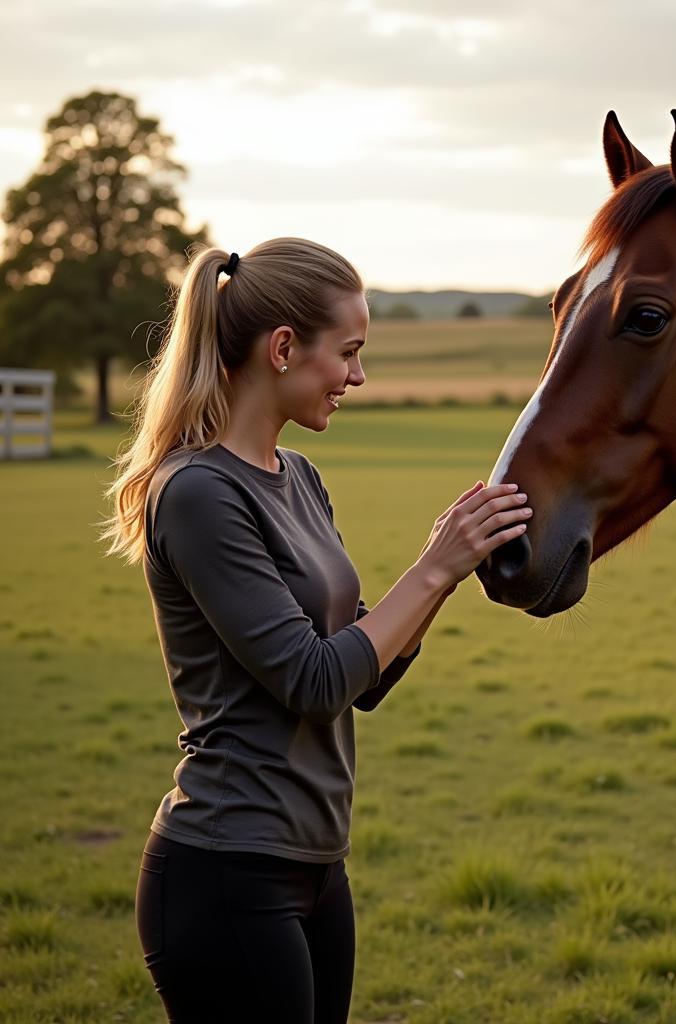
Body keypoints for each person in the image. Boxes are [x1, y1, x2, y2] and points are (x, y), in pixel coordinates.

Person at [98, 237, 533, 1023]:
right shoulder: (197, 493)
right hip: (227, 870)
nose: (359, 377)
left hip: (316, 863)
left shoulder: (299, 478)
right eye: (351, 352)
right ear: (284, 348)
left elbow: (367, 677)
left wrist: (452, 566)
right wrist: (433, 567)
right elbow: (314, 680)